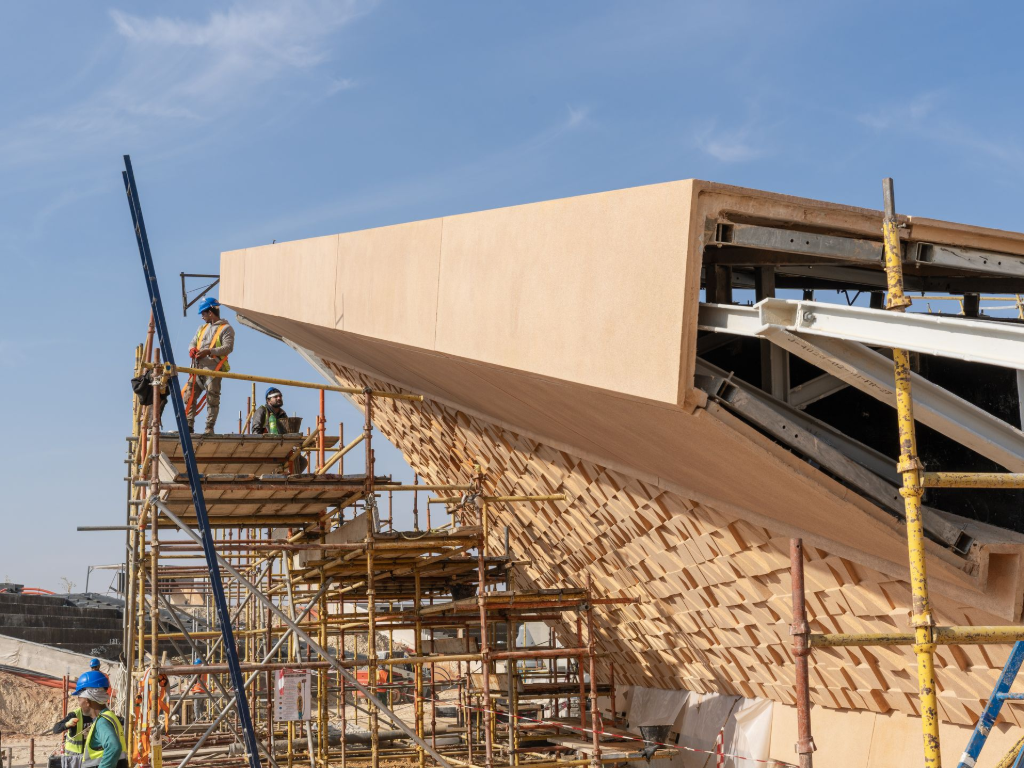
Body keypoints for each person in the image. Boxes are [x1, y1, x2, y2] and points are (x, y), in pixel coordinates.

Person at [181, 297, 234, 435]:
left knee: (212, 399)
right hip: (197, 369)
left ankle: (209, 428)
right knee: (189, 397)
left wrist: (209, 351)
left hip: (213, 369)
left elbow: (228, 348)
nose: (202, 317)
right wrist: (192, 349)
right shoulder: (202, 328)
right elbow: (192, 342)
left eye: (203, 314)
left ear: (211, 312)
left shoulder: (226, 329)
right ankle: (188, 426)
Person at [72, 670, 127, 768]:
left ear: (87, 701)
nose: (79, 704)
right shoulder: (108, 716)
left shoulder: (102, 722)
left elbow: (114, 747)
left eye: (79, 700)